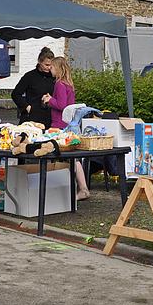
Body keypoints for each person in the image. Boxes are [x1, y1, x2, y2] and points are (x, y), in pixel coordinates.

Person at [44, 56, 91, 201]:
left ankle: (63, 190)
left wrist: (49, 100)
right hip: (70, 124)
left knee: (52, 155)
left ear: (57, 68)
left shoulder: (59, 84)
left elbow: (62, 105)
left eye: (51, 67)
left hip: (59, 124)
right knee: (74, 158)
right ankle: (82, 188)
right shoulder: (68, 84)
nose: (49, 69)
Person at [11, 47, 55, 127]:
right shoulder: (30, 76)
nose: (49, 68)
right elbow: (16, 94)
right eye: (46, 65)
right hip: (31, 116)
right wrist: (27, 107)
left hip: (49, 117)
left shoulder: (55, 77)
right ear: (39, 62)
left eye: (51, 65)